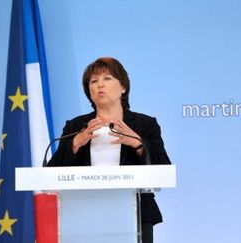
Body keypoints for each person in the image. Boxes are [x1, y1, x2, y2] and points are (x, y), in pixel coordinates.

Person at [47, 57, 171, 243]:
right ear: (89, 92)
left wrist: (137, 143)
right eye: (93, 81)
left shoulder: (145, 124)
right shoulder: (75, 126)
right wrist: (76, 142)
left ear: (123, 87)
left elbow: (163, 168)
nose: (100, 85)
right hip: (82, 216)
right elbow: (51, 173)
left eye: (107, 78)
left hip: (136, 215)